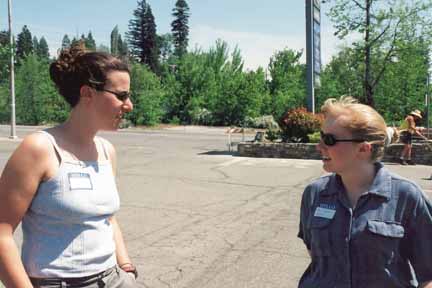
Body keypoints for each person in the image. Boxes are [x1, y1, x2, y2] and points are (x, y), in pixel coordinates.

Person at [0, 43, 138, 287]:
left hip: (113, 278)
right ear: (87, 93)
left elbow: (107, 219)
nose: (129, 105)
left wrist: (126, 266)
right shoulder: (39, 148)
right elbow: (2, 232)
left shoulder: (106, 151)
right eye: (121, 95)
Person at [298, 96, 432, 288]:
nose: (319, 146)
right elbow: (318, 261)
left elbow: (429, 275)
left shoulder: (407, 196)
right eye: (321, 136)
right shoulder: (314, 193)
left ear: (363, 148)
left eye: (329, 140)